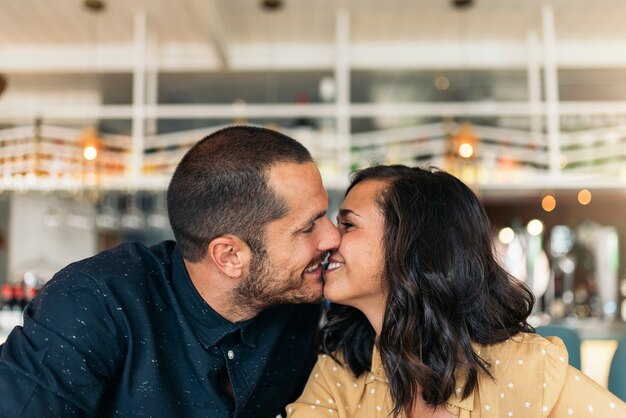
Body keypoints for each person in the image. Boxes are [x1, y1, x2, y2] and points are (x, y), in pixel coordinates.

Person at [0, 126, 340, 417]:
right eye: (309, 227)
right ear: (229, 255)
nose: (332, 236)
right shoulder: (91, 303)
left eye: (326, 215)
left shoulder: (299, 298)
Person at [287, 165, 626, 417]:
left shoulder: (525, 368)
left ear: (412, 246)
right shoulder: (341, 372)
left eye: (347, 224)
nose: (330, 239)